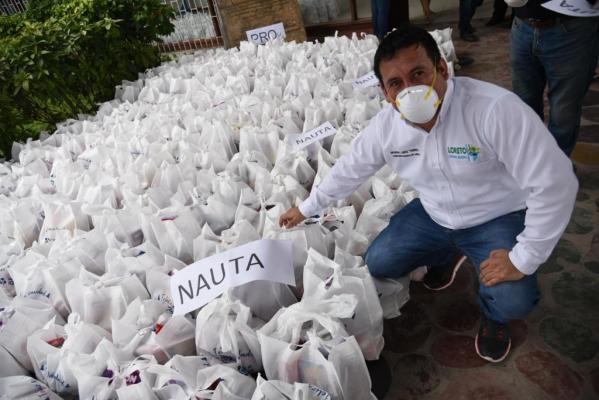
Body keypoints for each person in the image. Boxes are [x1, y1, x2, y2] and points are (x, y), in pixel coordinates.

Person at [279, 25, 578, 363]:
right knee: (379, 262)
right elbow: (350, 169)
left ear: (442, 69)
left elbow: (556, 183)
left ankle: (494, 318)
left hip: (497, 217)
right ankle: (447, 253)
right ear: (385, 93)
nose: (410, 90)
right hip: (434, 216)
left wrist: (523, 257)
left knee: (513, 299)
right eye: (396, 83)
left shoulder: (493, 110)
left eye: (418, 73)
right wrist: (306, 208)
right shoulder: (386, 128)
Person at [510, 0, 599, 157]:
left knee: (563, 111)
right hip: (522, 25)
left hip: (571, 29)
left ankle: (556, 171)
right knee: (524, 104)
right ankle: (530, 165)